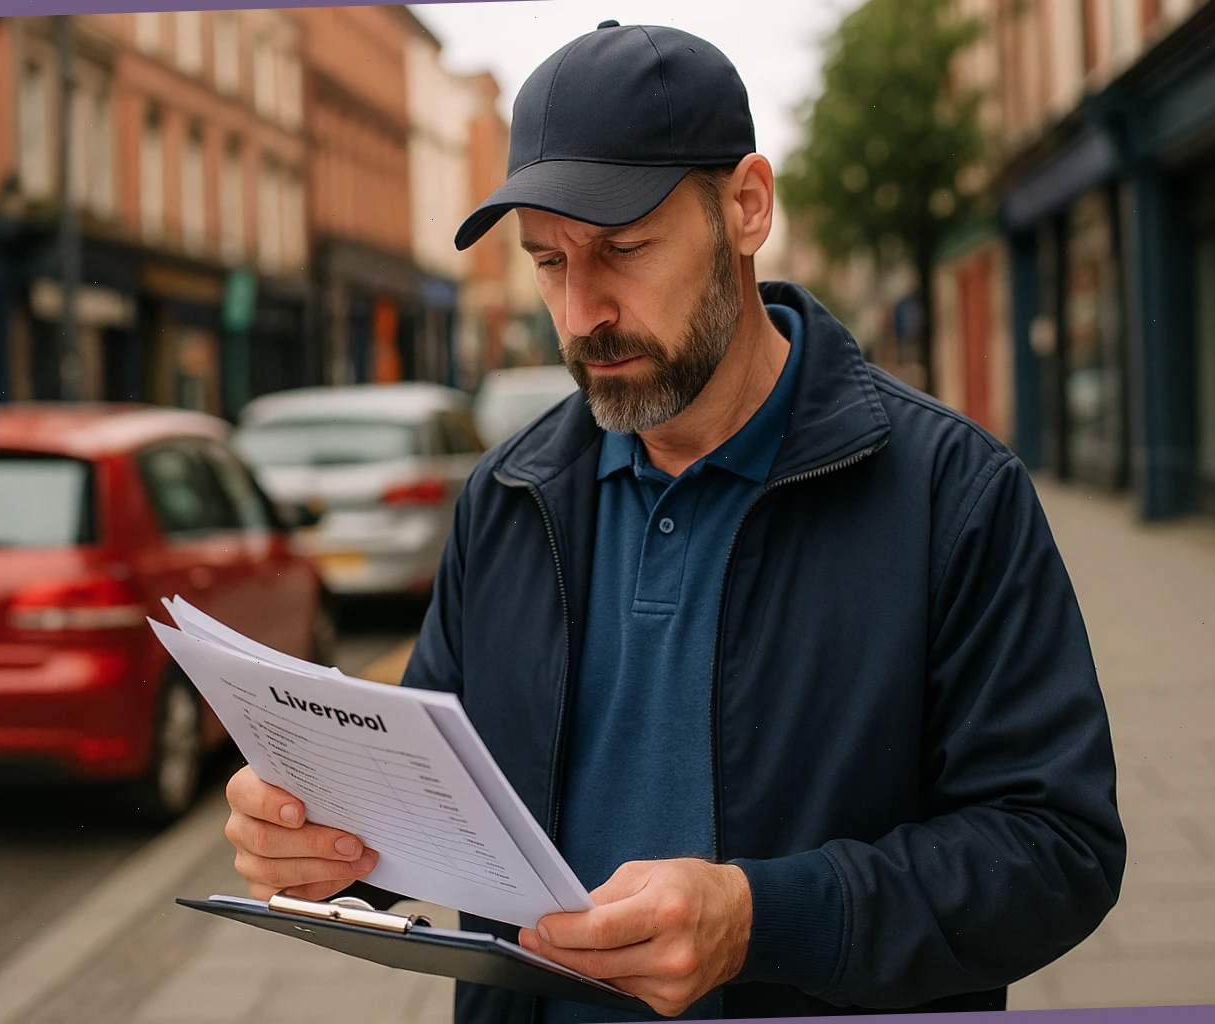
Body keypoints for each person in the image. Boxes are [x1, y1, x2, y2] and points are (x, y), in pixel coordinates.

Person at [222, 20, 1125, 1023]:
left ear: (745, 206)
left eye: (624, 248)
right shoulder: (508, 498)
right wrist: (328, 848)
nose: (582, 312)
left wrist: (762, 915)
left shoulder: (951, 492)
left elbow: (1057, 849)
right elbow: (438, 807)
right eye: (550, 262)